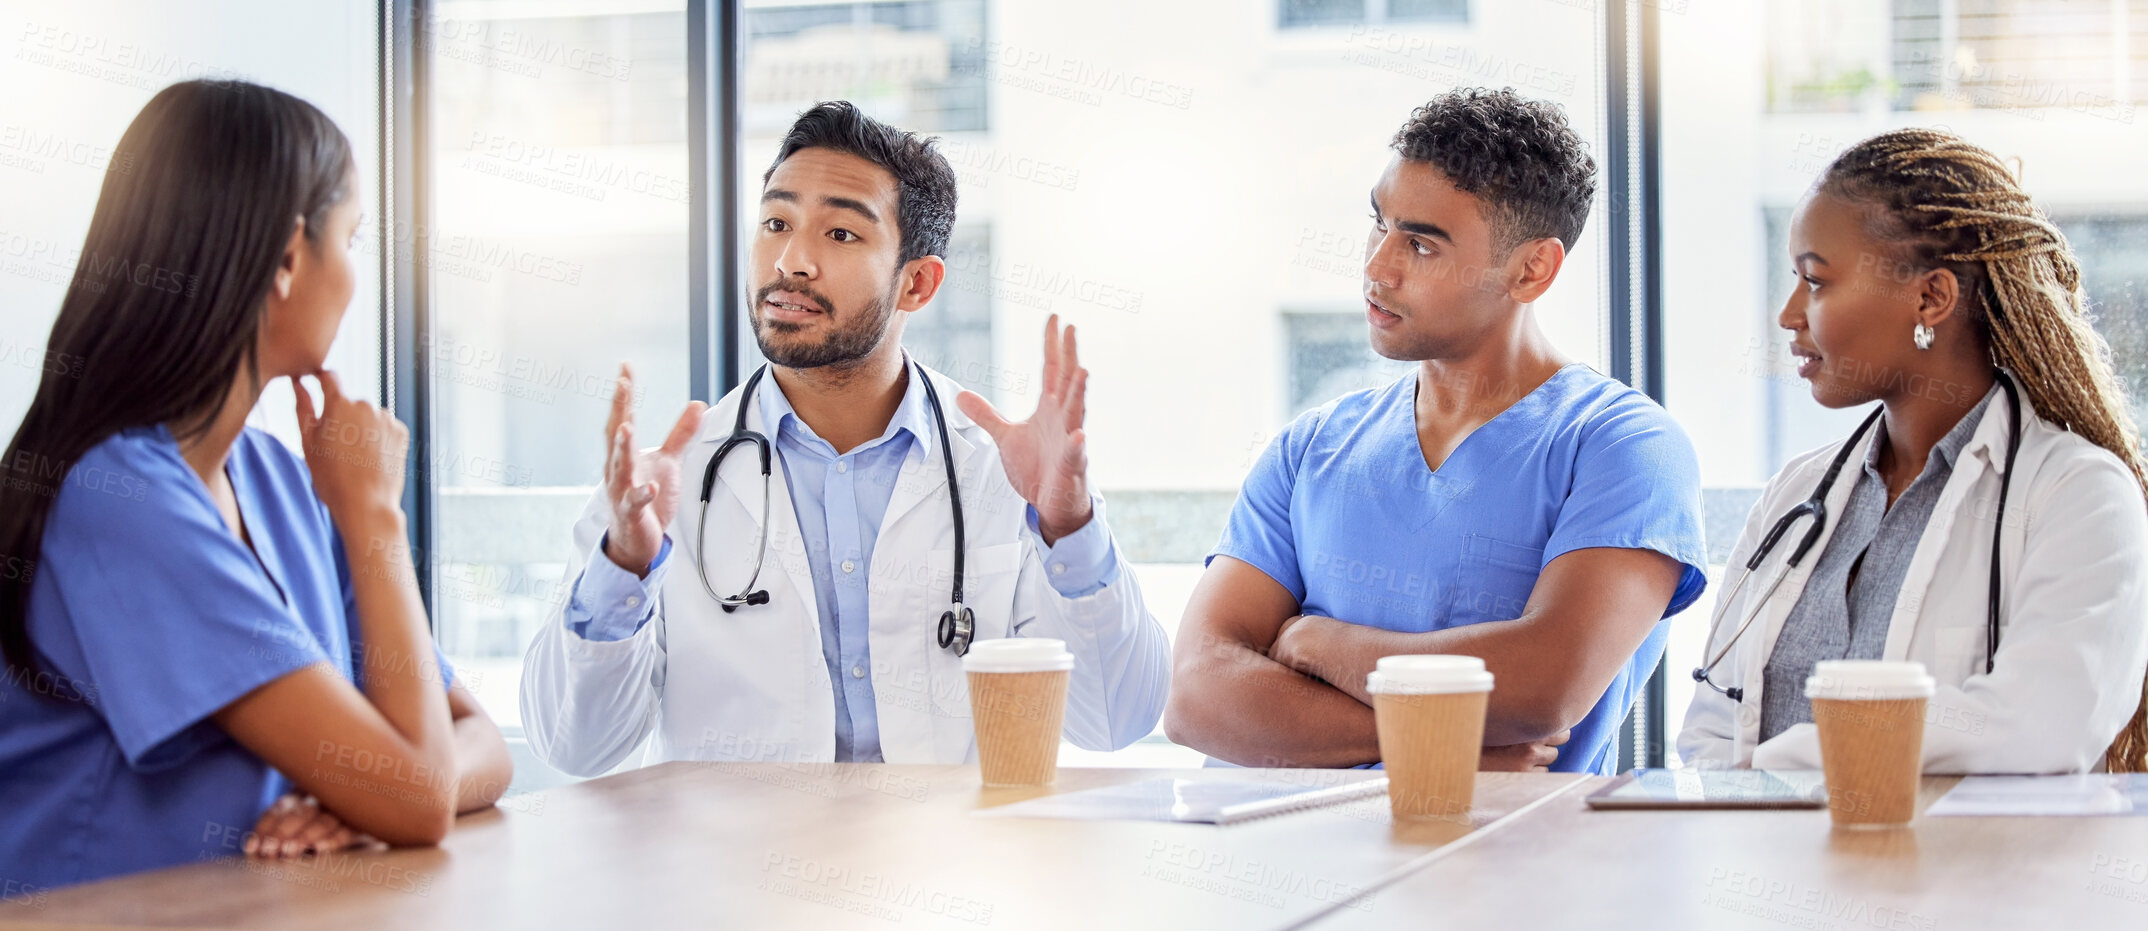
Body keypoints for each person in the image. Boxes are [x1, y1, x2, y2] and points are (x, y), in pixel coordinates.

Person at [519, 102, 1170, 773]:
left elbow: (1116, 717)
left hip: (953, 866)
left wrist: (1069, 524)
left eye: (840, 234)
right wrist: (624, 564)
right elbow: (576, 745)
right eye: (776, 223)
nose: (792, 260)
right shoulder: (665, 487)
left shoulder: (1004, 471)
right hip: (733, 869)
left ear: (917, 282)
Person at [0, 80, 511, 891]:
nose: (352, 274)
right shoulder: (116, 498)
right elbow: (420, 795)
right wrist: (376, 516)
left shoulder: (281, 479)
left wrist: (358, 797)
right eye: (350, 238)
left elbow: (474, 745)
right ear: (285, 257)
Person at [1163, 87, 1709, 775]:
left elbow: (1542, 688)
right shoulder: (1311, 448)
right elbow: (1195, 696)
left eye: (1420, 244)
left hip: (1508, 877)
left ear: (1531, 268)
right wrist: (1443, 733)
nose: (1377, 267)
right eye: (1379, 223)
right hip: (1275, 872)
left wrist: (1322, 644)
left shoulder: (1624, 448)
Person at [1678, 128, 2148, 773]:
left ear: (1931, 298)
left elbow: (2040, 724)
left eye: (1815, 281)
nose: (1789, 314)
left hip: (1959, 874)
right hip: (1766, 869)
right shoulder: (1795, 494)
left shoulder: (2079, 493)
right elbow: (1711, 732)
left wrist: (1782, 768)